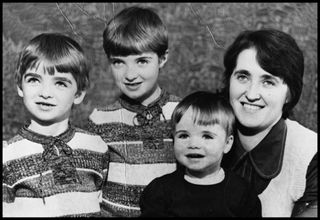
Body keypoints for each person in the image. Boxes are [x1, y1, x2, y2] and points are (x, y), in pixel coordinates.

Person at [86, 6, 180, 217]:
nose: (130, 74)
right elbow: (91, 186)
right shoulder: (100, 119)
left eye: (142, 61)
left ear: (162, 59)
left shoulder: (182, 112)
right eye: (118, 62)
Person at [2, 33, 109, 217]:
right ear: (20, 86)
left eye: (60, 83)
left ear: (79, 94)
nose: (45, 92)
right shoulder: (8, 154)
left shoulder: (96, 146)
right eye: (34, 80)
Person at [221, 29, 318, 217]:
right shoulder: (203, 137)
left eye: (268, 82)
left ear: (289, 93)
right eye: (243, 77)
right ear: (229, 81)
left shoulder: (310, 153)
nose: (251, 94)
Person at [139, 91, 262, 217]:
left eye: (207, 136)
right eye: (184, 135)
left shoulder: (242, 193)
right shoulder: (160, 191)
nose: (193, 144)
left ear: (227, 143)